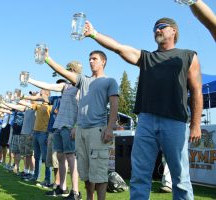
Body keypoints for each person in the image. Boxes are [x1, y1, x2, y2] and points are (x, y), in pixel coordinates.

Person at [83, 17, 203, 199]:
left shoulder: (188, 55)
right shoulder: (147, 57)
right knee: (139, 176)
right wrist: (94, 34)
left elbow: (196, 91)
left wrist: (195, 124)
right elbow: (119, 48)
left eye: (161, 27)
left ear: (174, 31)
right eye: (155, 28)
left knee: (180, 177)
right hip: (146, 121)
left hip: (175, 122)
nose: (157, 30)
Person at [44, 49, 118, 200]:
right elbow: (64, 73)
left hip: (98, 131)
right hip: (81, 131)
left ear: (103, 61)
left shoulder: (110, 81)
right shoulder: (83, 80)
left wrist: (110, 128)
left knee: (99, 172)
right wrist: (47, 59)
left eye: (94, 59)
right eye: (89, 59)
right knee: (85, 172)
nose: (91, 61)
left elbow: (114, 106)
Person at [27, 64, 82, 199]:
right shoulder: (65, 86)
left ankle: (75, 192)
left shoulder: (80, 86)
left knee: (71, 158)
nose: (64, 72)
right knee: (60, 158)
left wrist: (76, 125)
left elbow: (82, 107)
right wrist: (29, 80)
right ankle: (61, 188)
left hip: (69, 127)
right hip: (58, 127)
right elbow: (48, 86)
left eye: (67, 70)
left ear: (73, 71)